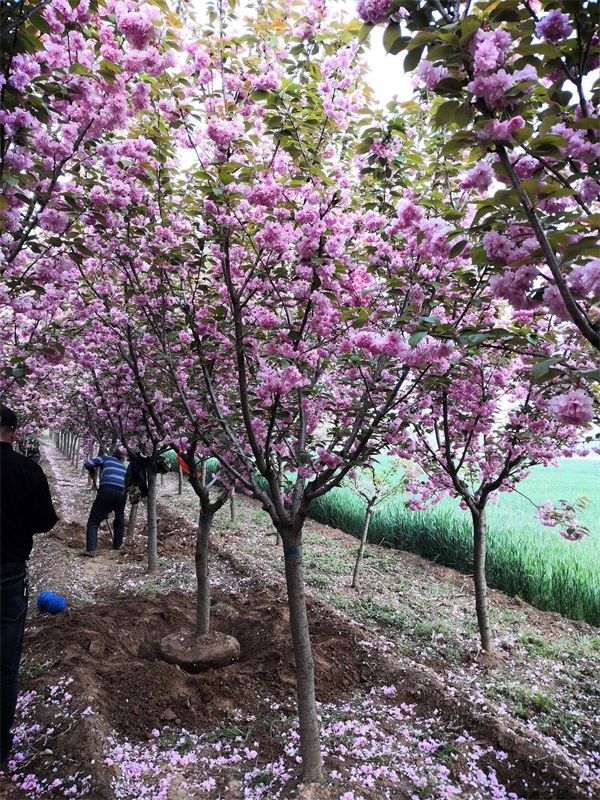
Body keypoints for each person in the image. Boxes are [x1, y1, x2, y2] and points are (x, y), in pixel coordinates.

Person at [0, 405, 58, 766]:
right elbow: (45, 521)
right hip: (7, 578)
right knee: (4, 666)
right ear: (15, 433)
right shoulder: (26, 469)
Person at [82, 449, 127, 556]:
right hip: (122, 493)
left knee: (93, 520)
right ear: (121, 459)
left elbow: (88, 463)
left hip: (107, 489)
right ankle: (118, 544)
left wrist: (91, 469)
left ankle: (91, 549)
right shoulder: (123, 467)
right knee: (119, 516)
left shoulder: (106, 458)